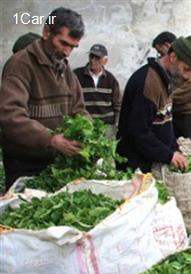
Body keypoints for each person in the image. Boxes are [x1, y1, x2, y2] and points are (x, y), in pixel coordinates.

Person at [0, 7, 87, 189]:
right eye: (63, 43)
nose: (67, 52)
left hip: (57, 163)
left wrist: (87, 131)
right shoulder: (20, 65)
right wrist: (51, 140)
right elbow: (11, 117)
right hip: (24, 165)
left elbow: (78, 109)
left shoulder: (65, 70)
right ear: (47, 32)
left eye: (72, 46)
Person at [116, 36, 191, 173]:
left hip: (150, 163)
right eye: (186, 69)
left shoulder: (166, 81)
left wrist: (175, 149)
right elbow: (138, 132)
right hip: (135, 167)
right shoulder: (148, 82)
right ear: (173, 57)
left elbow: (165, 123)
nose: (187, 76)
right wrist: (169, 155)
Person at [153, 31, 191, 147]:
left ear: (167, 46)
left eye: (160, 52)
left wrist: (167, 97)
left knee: (185, 151)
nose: (161, 56)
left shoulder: (188, 60)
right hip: (182, 114)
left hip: (186, 116)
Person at [73, 44, 122, 139]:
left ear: (105, 61)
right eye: (91, 56)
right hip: (84, 124)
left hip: (106, 125)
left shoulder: (111, 79)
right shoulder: (77, 75)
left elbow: (118, 104)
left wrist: (117, 122)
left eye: (97, 58)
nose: (93, 61)